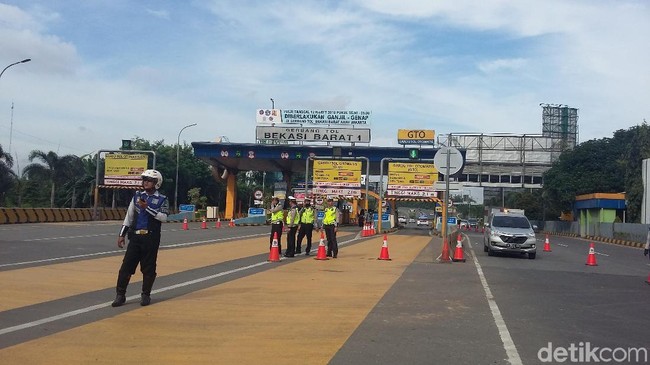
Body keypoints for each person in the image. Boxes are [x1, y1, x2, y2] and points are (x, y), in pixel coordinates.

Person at [112, 169, 169, 307]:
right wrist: (122, 235)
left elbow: (164, 217)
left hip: (151, 238)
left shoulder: (162, 199)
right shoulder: (137, 196)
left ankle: (145, 295)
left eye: (149, 180)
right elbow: (129, 217)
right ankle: (120, 295)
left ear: (156, 183)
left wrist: (147, 208)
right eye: (144, 180)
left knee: (148, 268)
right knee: (126, 267)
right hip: (135, 237)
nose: (145, 182)